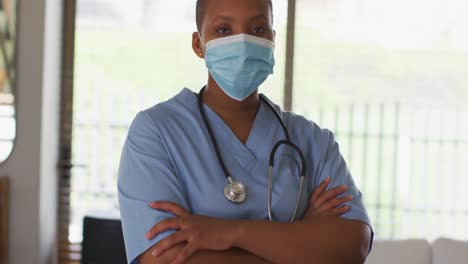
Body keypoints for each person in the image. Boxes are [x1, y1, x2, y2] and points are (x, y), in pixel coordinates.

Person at [117, 0, 373, 263]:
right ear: (198, 44)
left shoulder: (312, 140)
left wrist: (228, 233)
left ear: (273, 40)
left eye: (258, 29)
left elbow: (352, 246)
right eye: (224, 30)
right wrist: (300, 241)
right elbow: (162, 257)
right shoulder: (156, 132)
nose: (242, 41)